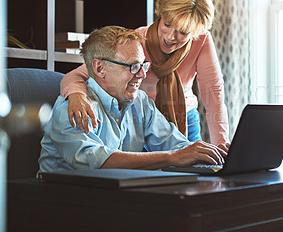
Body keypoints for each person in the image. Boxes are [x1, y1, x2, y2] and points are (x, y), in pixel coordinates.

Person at [60, 0, 229, 146]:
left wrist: (222, 146)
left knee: (197, 168)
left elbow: (214, 95)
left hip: (186, 119)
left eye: (183, 32)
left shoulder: (201, 41)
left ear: (196, 31)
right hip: (145, 121)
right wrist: (76, 95)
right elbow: (76, 75)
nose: (170, 37)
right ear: (161, 14)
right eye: (167, 24)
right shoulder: (136, 41)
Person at [39, 26, 228, 172]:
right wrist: (172, 157)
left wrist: (213, 154)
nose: (142, 75)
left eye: (143, 66)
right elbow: (97, 163)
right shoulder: (71, 109)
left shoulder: (141, 102)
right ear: (99, 69)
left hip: (118, 200)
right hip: (65, 202)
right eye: (133, 66)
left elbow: (175, 144)